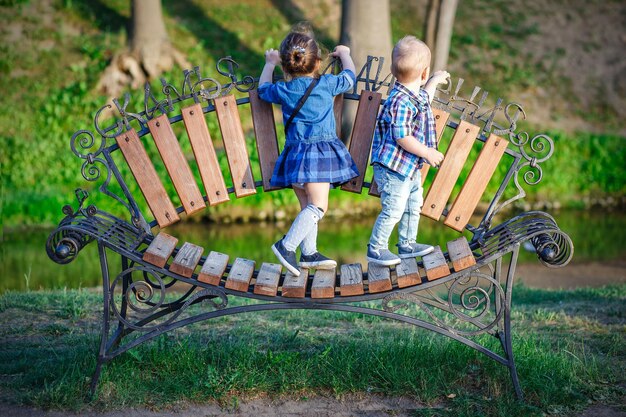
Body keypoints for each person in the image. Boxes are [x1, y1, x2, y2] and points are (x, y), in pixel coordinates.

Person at [258, 25, 359, 277]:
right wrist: (345, 54)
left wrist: (269, 64)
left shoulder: (284, 90)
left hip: (294, 157)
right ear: (317, 62)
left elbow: (262, 90)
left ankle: (310, 253)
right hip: (319, 157)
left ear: (285, 65)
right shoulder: (327, 84)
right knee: (319, 207)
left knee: (307, 206)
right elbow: (350, 77)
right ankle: (286, 245)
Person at [367, 35, 449, 266]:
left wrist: (433, 81)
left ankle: (407, 244)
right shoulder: (399, 101)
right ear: (422, 73)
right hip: (393, 168)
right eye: (428, 74)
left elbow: (425, 98)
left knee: (414, 203)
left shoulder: (410, 95)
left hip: (408, 167)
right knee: (394, 209)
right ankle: (376, 248)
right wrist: (428, 152)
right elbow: (401, 136)